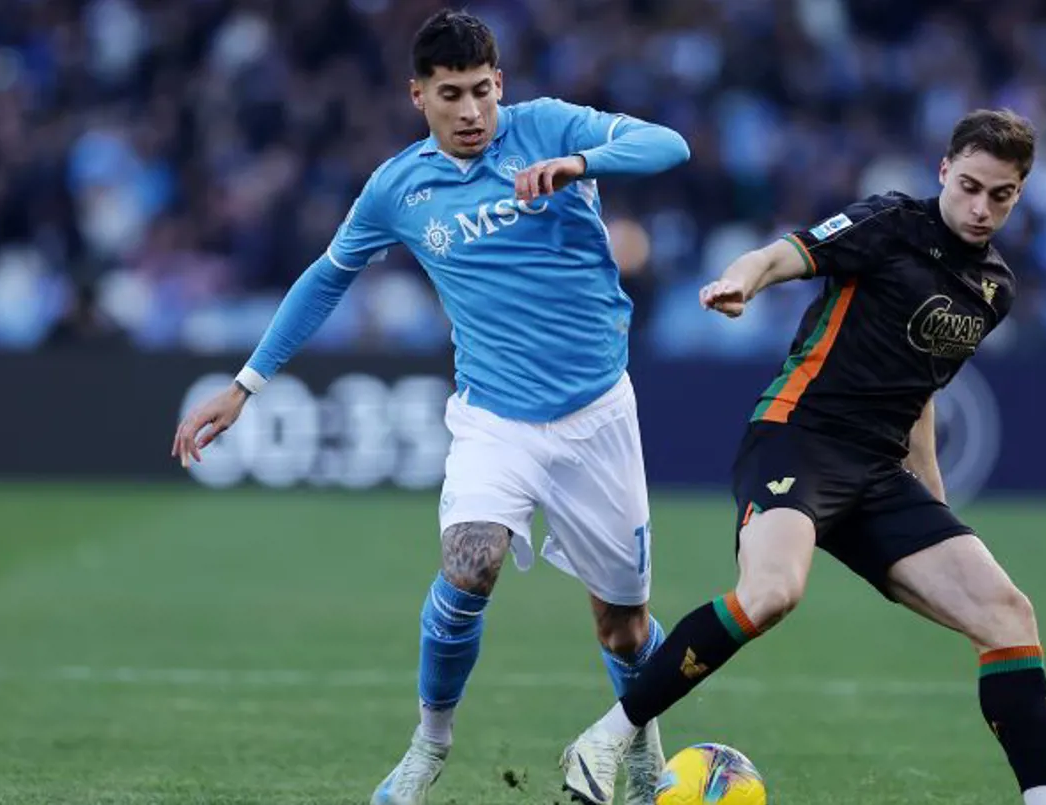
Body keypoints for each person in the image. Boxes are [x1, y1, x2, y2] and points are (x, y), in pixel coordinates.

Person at [170, 10, 689, 805]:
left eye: (482, 90)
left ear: (500, 84)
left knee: (623, 628)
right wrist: (246, 385)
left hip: (598, 416)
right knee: (468, 564)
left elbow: (668, 145)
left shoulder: (548, 126)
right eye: (451, 95)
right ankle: (428, 744)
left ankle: (643, 743)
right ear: (418, 96)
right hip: (494, 419)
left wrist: (578, 162)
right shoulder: (398, 187)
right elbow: (327, 276)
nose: (472, 110)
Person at [559, 109, 1046, 805]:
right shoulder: (889, 223)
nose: (981, 207)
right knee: (772, 591)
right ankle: (606, 736)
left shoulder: (994, 289)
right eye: (969, 186)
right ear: (943, 171)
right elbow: (782, 254)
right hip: (798, 437)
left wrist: (933, 504)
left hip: (879, 474)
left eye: (1001, 195)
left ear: (1019, 194)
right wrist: (741, 282)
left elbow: (920, 391)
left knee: (1007, 613)